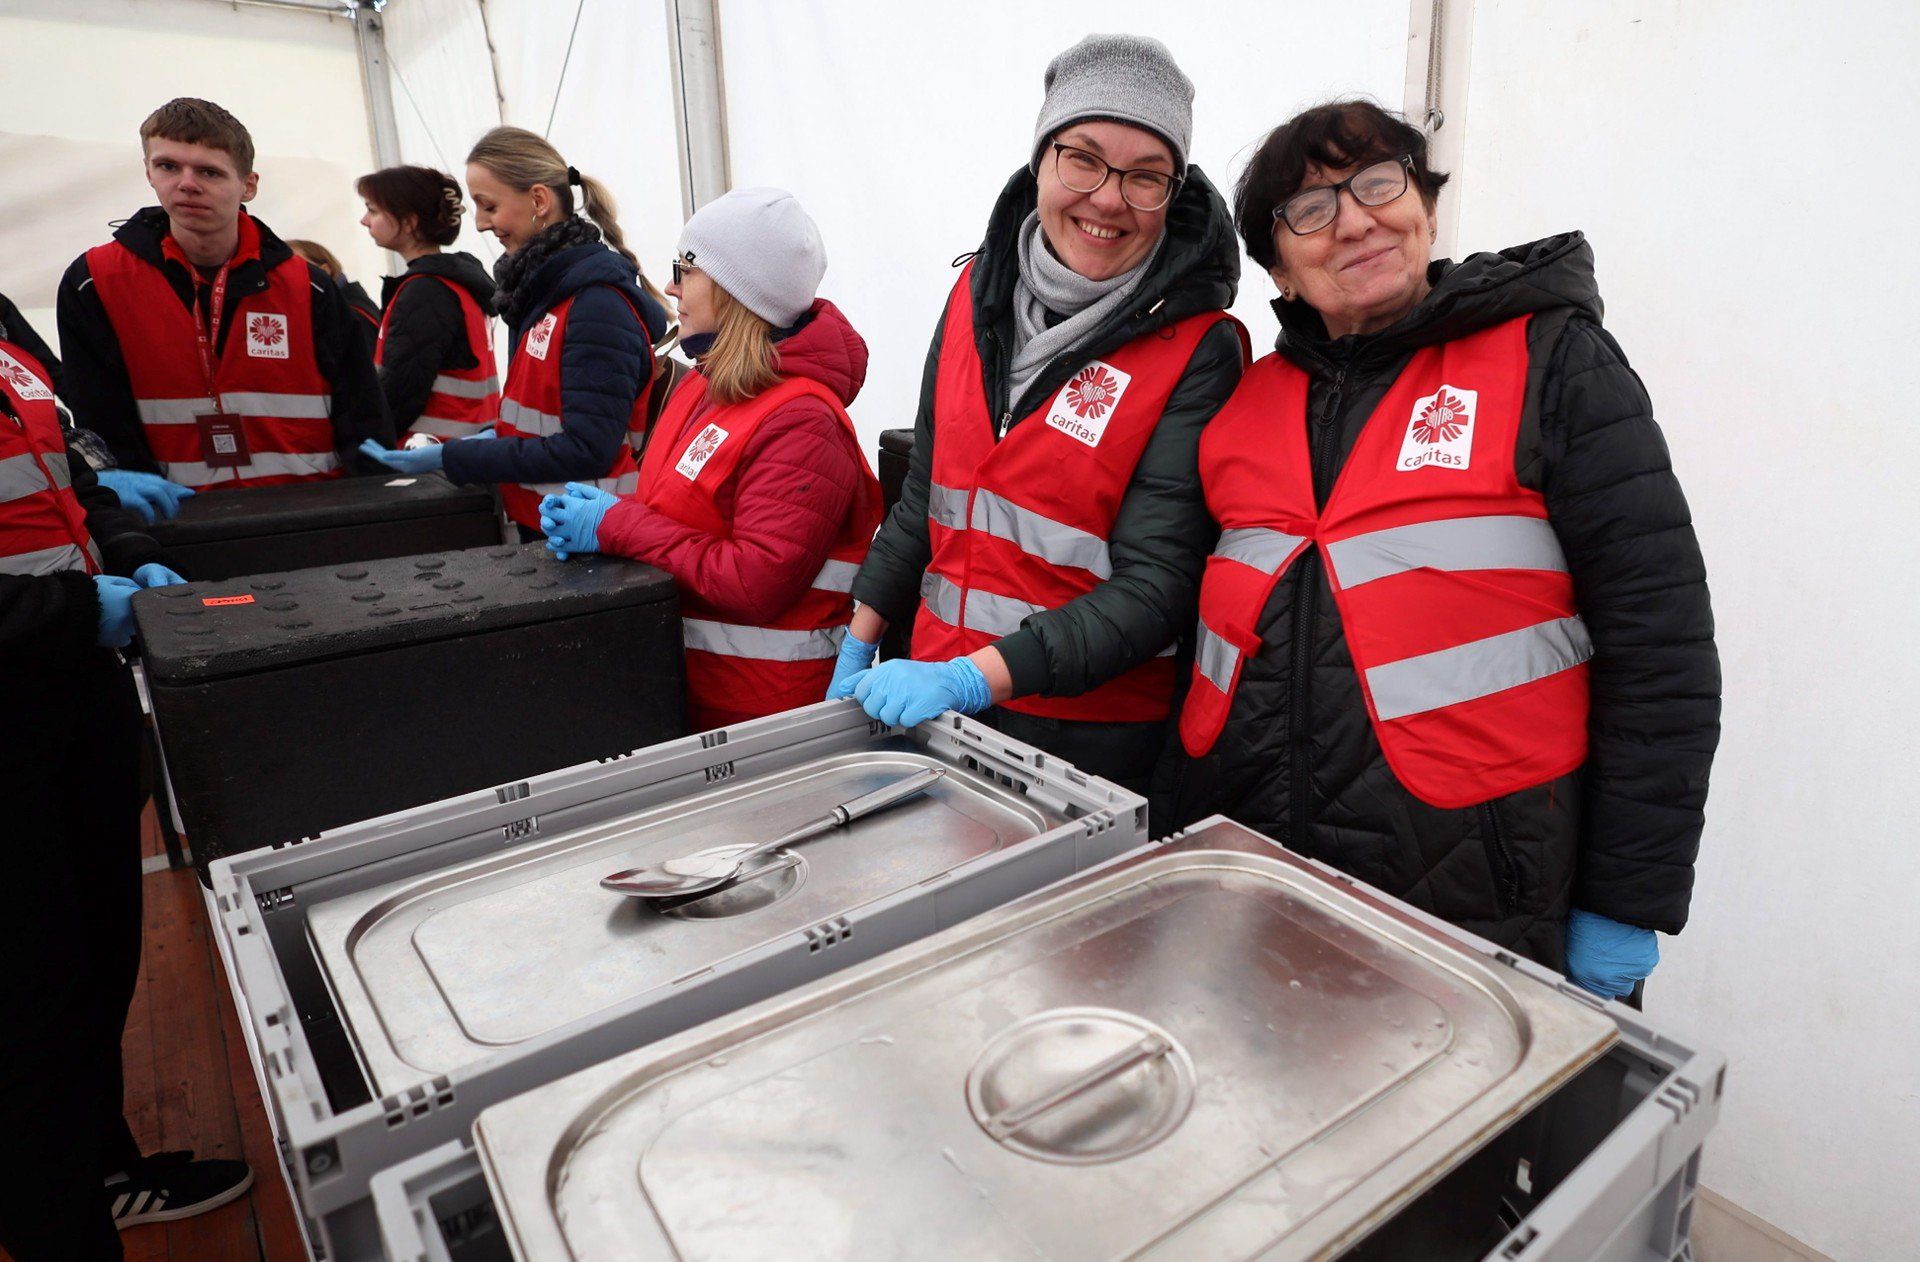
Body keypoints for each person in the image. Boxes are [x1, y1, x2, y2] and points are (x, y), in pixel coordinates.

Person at [1165, 101, 1720, 997]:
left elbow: (1662, 647)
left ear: (1425, 206)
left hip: (1485, 896)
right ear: (1278, 269)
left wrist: (1627, 896)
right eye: (1310, 209)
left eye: (1377, 183)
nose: (1355, 221)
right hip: (1257, 874)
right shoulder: (1241, 407)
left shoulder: (1552, 361)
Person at [828, 34, 1246, 792]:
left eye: (1146, 177)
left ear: (1174, 192)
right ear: (1041, 159)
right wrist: (860, 638)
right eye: (1083, 159)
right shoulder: (973, 296)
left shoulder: (1197, 349)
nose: (1109, 199)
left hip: (1083, 739)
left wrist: (974, 676)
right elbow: (925, 496)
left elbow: (1156, 587)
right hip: (937, 701)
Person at [0, 335, 250, 1260]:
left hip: (72, 694)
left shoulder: (6, 341)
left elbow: (66, 480)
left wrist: (131, 551)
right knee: (29, 997)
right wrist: (69, 612)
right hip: (18, 700)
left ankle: (101, 1168)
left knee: (97, 960)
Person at [541, 188, 881, 731]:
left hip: (762, 715)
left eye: (686, 269)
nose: (671, 285)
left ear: (735, 291)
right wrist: (605, 519)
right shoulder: (706, 387)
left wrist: (616, 525)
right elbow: (680, 516)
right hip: (697, 693)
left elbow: (753, 583)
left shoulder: (802, 422)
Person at [56, 97, 391, 505]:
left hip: (311, 511)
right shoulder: (94, 280)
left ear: (249, 185)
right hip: (177, 516)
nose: (187, 184)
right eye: (168, 166)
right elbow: (99, 416)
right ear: (148, 172)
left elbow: (363, 417)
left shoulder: (308, 285)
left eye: (209, 172)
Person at [359, 128, 669, 540]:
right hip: (554, 524)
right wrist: (487, 440)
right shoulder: (542, 293)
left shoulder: (594, 305)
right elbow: (547, 418)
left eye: (489, 206)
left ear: (539, 201)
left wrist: (460, 455)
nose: (479, 223)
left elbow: (587, 449)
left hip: (587, 533)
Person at [354, 165, 500, 443]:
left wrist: (363, 441)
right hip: (463, 451)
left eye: (373, 210)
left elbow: (402, 389)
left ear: (409, 222)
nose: (364, 220)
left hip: (430, 456)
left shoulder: (426, 292)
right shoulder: (455, 282)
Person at [285, 237, 383, 361]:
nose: (285, 275)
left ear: (325, 270)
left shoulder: (352, 314)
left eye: (294, 265)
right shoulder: (328, 308)